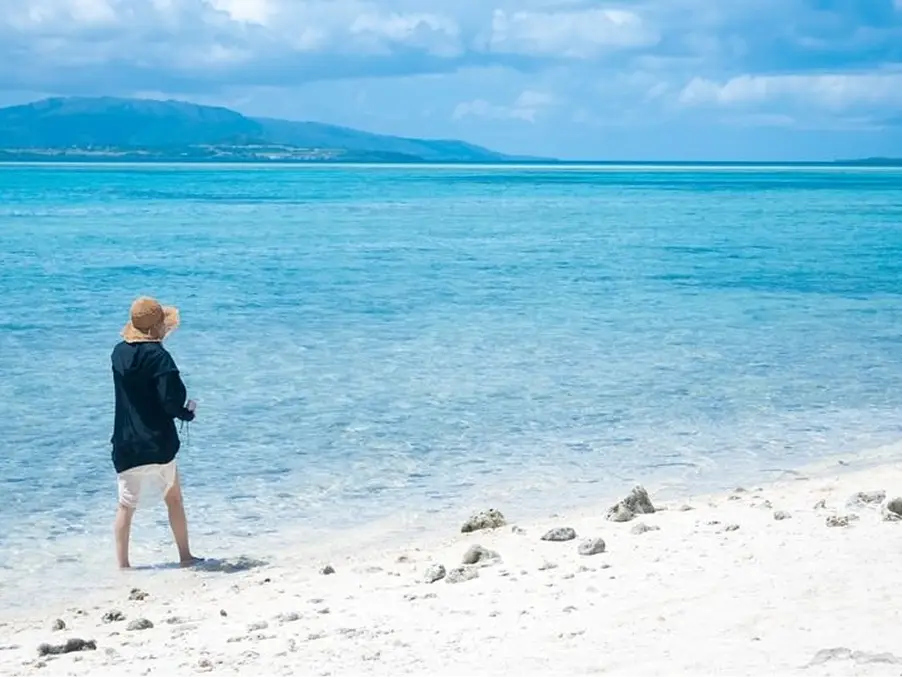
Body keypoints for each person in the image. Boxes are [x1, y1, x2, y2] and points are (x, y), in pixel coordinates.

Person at [110, 296, 200, 569]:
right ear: (157, 328)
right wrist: (188, 413)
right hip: (159, 442)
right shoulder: (160, 357)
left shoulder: (117, 354)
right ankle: (185, 556)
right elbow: (170, 401)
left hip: (126, 443)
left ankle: (123, 566)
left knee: (125, 507)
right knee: (173, 499)